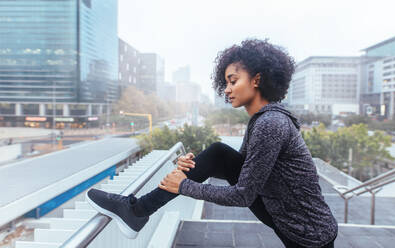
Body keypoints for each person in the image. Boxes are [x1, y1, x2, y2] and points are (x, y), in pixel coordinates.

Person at [86, 39, 338, 247]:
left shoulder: (271, 124)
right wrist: (195, 166)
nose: (227, 90)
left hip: (309, 233)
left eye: (233, 80)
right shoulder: (263, 120)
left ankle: (137, 211)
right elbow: (239, 170)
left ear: (257, 80)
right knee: (218, 153)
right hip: (289, 216)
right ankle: (137, 210)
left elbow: (242, 194)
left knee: (218, 155)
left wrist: (184, 186)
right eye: (226, 82)